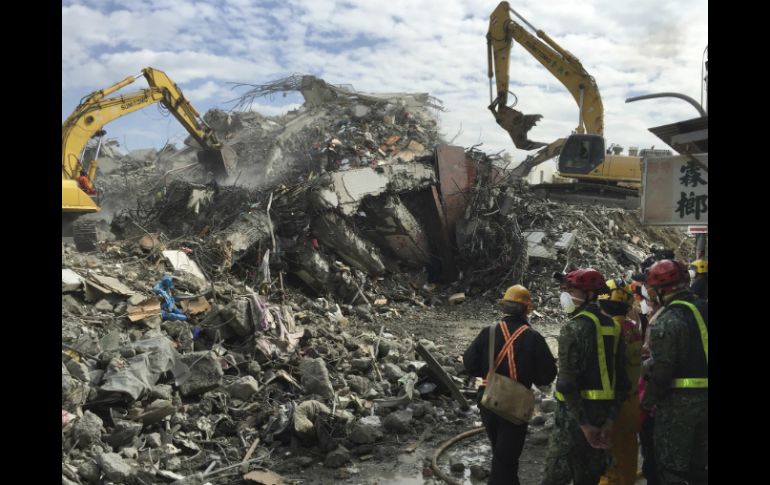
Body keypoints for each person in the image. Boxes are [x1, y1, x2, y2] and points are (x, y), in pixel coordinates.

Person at [542, 269, 630, 485]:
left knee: (555, 478)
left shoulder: (573, 328)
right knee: (589, 478)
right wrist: (609, 421)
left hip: (573, 419)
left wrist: (584, 425)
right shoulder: (614, 327)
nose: (566, 295)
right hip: (603, 416)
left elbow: (565, 383)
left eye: (572, 290)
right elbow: (623, 382)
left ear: (590, 295)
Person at [463, 284, 557, 485]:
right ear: (527, 309)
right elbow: (547, 376)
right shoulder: (533, 337)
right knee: (505, 459)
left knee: (501, 453)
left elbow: (469, 364)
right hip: (515, 404)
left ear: (503, 307)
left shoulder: (488, 331)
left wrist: (491, 373)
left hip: (488, 399)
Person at [641, 260, 708, 485]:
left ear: (661, 290)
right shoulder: (705, 308)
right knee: (699, 468)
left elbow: (663, 372)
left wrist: (646, 403)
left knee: (672, 469)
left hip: (679, 406)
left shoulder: (668, 319)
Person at [597, 279, 643, 485]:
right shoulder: (633, 328)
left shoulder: (607, 330)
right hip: (633, 401)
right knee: (628, 449)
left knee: (609, 454)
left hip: (612, 404)